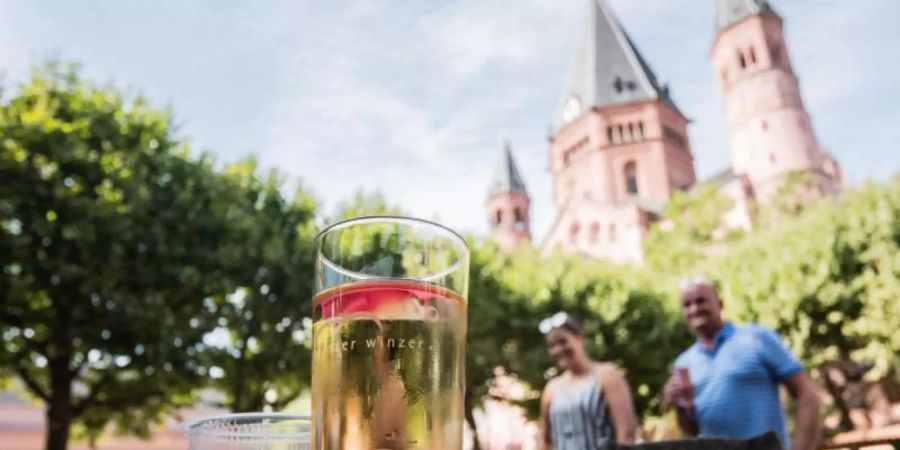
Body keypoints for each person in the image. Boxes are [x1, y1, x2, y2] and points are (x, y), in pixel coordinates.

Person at [664, 277, 821, 450]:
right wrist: (680, 408)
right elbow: (693, 430)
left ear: (720, 303)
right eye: (687, 304)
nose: (694, 308)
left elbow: (808, 395)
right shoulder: (684, 363)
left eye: (701, 301)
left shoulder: (757, 338)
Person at [538, 312, 638, 450]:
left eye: (563, 341)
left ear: (580, 338)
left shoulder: (607, 376)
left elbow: (626, 433)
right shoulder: (552, 388)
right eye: (552, 345)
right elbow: (544, 440)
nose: (558, 350)